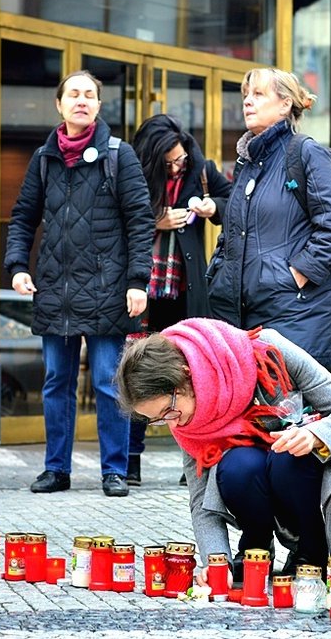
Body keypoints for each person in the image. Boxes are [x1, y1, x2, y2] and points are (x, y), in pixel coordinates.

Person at [116, 318, 331, 583]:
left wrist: (315, 435)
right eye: (158, 419)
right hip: (264, 477)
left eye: (168, 411)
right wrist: (217, 562)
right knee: (237, 466)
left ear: (185, 374)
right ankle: (256, 551)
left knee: (286, 455)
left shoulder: (266, 350)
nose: (171, 423)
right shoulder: (188, 419)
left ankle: (311, 554)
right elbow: (200, 498)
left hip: (328, 469)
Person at [4, 70, 154, 498]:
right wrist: (17, 265)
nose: (82, 101)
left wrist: (137, 280)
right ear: (59, 104)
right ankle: (56, 469)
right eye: (74, 94)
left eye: (90, 95)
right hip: (55, 287)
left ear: (99, 106)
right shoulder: (44, 158)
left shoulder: (117, 154)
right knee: (56, 382)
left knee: (109, 381)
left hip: (109, 289)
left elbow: (140, 220)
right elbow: (23, 217)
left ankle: (114, 470)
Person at [206, 68, 331, 368]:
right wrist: (218, 272)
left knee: (290, 412)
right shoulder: (249, 164)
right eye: (246, 95)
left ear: (285, 104)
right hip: (248, 313)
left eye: (258, 94)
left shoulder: (307, 153)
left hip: (297, 314)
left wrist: (296, 275)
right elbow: (233, 232)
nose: (248, 101)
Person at [126, 114, 232, 486]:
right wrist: (158, 220)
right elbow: (118, 217)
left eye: (180, 160)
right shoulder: (133, 172)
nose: (176, 166)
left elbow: (232, 202)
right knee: (138, 373)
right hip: (142, 292)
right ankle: (129, 461)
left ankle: (195, 460)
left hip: (184, 292)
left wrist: (210, 208)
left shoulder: (199, 169)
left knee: (190, 377)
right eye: (169, 161)